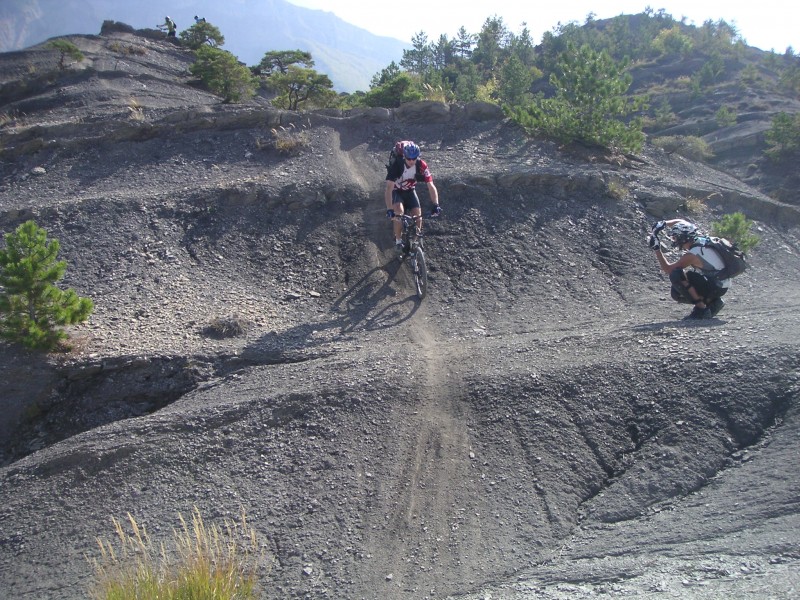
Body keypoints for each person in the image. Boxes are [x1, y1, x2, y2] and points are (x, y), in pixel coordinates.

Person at [648, 219, 729, 320]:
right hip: (720, 284)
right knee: (687, 277)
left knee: (676, 277)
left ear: (683, 238)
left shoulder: (693, 254)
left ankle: (702, 310)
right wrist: (664, 223)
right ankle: (713, 302)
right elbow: (681, 221)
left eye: (676, 238)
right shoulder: (702, 240)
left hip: (716, 287)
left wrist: (657, 249)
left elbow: (668, 269)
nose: (674, 240)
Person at [384, 141, 441, 255]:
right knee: (399, 213)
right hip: (397, 191)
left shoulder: (422, 165)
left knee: (418, 217)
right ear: (404, 157)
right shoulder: (397, 166)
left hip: (410, 191)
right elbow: (389, 189)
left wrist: (436, 204)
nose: (411, 161)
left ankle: (414, 243)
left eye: (414, 158)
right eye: (409, 158)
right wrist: (390, 209)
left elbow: (431, 185)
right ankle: (399, 241)